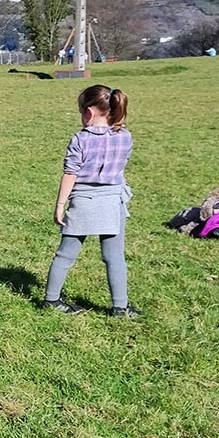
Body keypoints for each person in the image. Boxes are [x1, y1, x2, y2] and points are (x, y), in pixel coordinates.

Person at [42, 85, 139, 318]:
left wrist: (60, 205)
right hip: (113, 203)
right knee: (114, 257)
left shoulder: (80, 139)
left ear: (88, 112)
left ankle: (51, 300)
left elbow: (70, 173)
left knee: (65, 255)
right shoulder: (125, 137)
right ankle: (120, 307)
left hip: (82, 203)